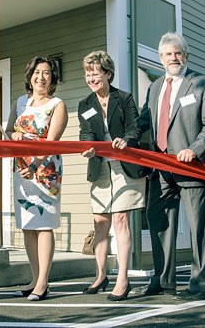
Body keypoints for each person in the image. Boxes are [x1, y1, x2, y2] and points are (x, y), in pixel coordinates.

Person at [136, 32, 205, 301]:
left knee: (199, 228)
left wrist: (193, 150)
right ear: (161, 59)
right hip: (160, 168)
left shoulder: (202, 84)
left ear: (187, 56)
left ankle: (200, 285)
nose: (174, 58)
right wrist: (121, 139)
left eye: (178, 53)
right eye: (168, 54)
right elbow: (143, 122)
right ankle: (163, 281)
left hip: (192, 167)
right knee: (158, 222)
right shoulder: (155, 86)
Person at [78, 51, 150, 301]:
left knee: (120, 220)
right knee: (100, 223)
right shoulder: (85, 104)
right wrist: (87, 147)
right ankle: (100, 275)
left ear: (108, 73)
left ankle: (123, 279)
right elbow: (86, 132)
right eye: (88, 74)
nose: (91, 78)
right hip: (100, 167)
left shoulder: (124, 98)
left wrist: (126, 139)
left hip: (124, 166)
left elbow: (135, 126)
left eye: (95, 73)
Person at [5, 56, 68, 301]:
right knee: (28, 225)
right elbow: (9, 130)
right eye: (37, 72)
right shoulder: (20, 102)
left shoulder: (57, 104)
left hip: (45, 170)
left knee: (44, 225)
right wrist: (15, 136)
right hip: (20, 169)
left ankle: (43, 281)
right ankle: (34, 277)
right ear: (30, 76)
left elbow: (52, 142)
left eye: (47, 73)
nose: (41, 77)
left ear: (52, 79)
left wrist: (35, 165)